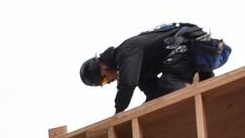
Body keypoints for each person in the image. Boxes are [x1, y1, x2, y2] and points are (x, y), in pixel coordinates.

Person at [80, 23, 231, 113]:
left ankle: (195, 90)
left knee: (169, 84)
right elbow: (155, 95)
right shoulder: (139, 70)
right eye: (106, 83)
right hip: (184, 57)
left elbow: (128, 82)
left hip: (185, 46)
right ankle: (202, 87)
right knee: (164, 93)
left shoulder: (125, 51)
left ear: (103, 66)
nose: (110, 81)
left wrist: (118, 114)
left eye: (105, 79)